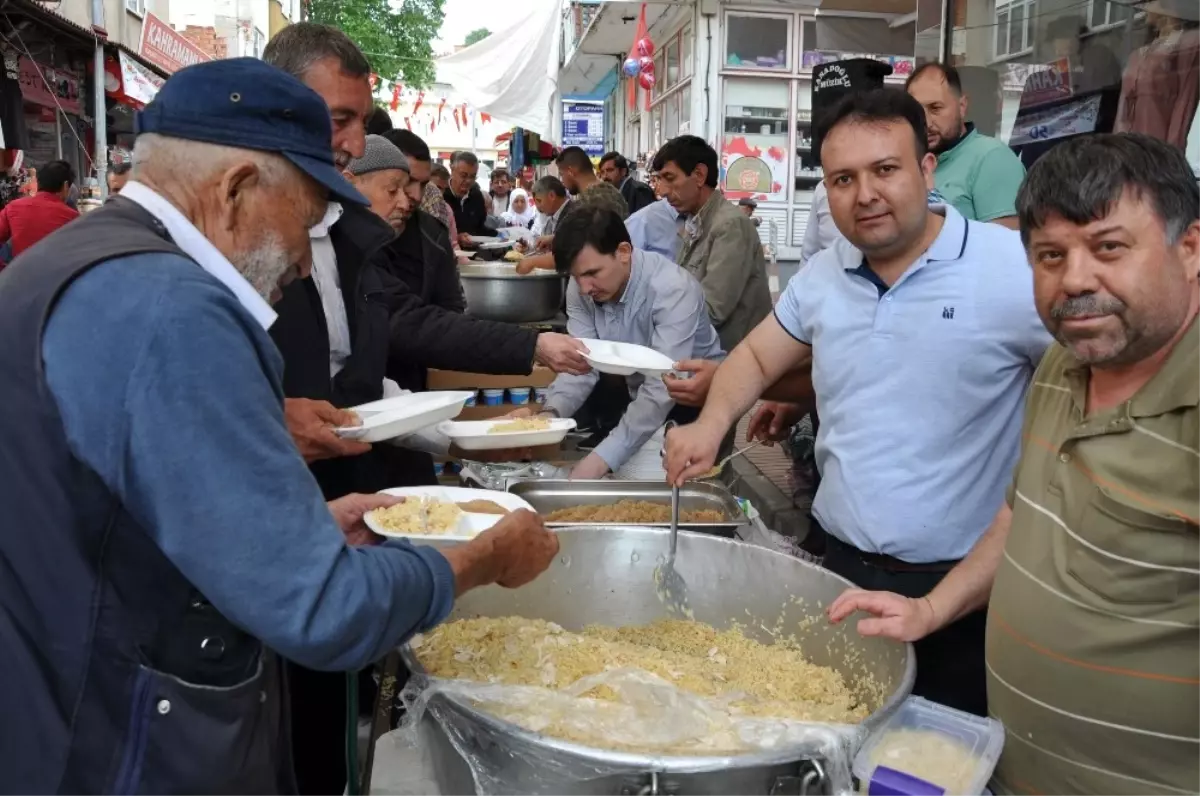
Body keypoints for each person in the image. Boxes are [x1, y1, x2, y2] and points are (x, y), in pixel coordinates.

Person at [0, 56, 559, 795]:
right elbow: (323, 611)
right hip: (127, 745)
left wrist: (298, 526)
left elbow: (114, 511)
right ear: (234, 191)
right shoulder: (178, 312)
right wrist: (482, 559)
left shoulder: (70, 264)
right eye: (304, 219)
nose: (302, 261)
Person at [828, 132, 1200, 796]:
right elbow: (1021, 510)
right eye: (1050, 256)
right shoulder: (1065, 363)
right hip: (1013, 769)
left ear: (1190, 249)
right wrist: (933, 609)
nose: (1076, 280)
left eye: (1109, 247)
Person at [663, 88, 1051, 717]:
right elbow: (759, 358)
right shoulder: (825, 273)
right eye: (843, 178)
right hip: (840, 566)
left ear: (927, 169)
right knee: (838, 733)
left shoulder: (1011, 269)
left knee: (940, 757)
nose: (864, 194)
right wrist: (711, 424)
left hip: (962, 586)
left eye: (885, 170)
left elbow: (1070, 395)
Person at [516, 206, 723, 479]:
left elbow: (662, 387)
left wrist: (600, 461)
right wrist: (549, 417)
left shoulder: (672, 289)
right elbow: (580, 364)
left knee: (676, 494)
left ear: (623, 252)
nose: (584, 288)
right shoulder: (582, 291)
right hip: (640, 395)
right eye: (575, 277)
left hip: (696, 401)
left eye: (592, 273)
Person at [653, 134, 772, 369]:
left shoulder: (729, 225)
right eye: (659, 179)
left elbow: (712, 309)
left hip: (734, 367)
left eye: (669, 178)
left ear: (699, 175)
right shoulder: (696, 221)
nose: (663, 191)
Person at [905, 63, 1026, 228]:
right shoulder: (909, 160)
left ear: (962, 107)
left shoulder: (992, 157)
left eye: (935, 108)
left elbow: (1005, 245)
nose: (926, 121)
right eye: (917, 111)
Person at [0, 159, 78, 261]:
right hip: (59, 274)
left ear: (38, 182)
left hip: (18, 273)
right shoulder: (73, 218)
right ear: (66, 186)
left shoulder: (13, 207)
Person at [555, 145, 628, 219]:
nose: (562, 180)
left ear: (571, 171)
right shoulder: (614, 193)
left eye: (561, 174)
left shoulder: (587, 204)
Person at [444, 150, 495, 243]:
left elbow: (480, 227)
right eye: (463, 175)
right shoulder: (441, 195)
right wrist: (457, 238)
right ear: (452, 170)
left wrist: (500, 236)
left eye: (472, 176)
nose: (468, 181)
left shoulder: (476, 195)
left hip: (475, 251)